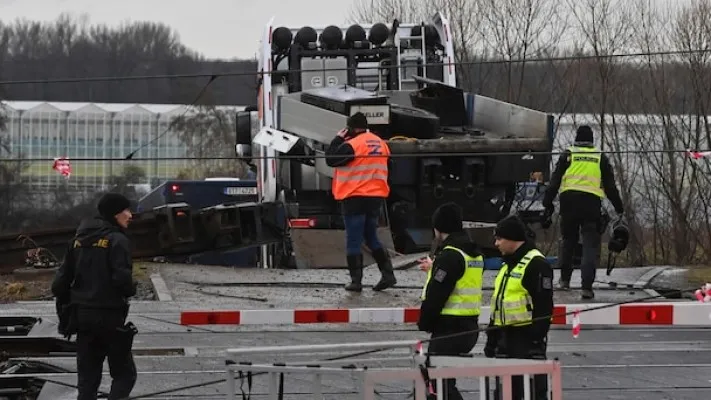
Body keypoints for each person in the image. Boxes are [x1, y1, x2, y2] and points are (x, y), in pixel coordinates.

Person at [51, 192, 138, 400]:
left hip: (82, 319)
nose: (130, 215)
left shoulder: (77, 241)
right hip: (110, 318)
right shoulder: (117, 240)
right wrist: (132, 288)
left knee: (88, 380)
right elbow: (122, 282)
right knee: (125, 374)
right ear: (115, 214)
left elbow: (58, 285)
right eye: (126, 210)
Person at [542, 125, 624, 299]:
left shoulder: (568, 154)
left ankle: (564, 281)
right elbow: (610, 187)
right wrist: (619, 207)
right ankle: (586, 287)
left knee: (568, 242)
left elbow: (554, 182)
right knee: (590, 246)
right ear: (592, 140)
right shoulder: (599, 157)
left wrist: (547, 203)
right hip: (591, 204)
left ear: (576, 139)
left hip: (568, 203)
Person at [417, 202, 484, 400]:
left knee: (438, 384)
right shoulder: (472, 253)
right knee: (439, 382)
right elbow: (459, 278)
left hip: (449, 329)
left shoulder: (450, 256)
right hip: (469, 327)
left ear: (438, 228)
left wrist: (425, 322)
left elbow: (437, 294)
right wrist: (435, 267)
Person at [484, 215, 554, 400]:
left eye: (499, 238)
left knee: (529, 393)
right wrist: (492, 339)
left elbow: (544, 307)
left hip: (525, 340)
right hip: (505, 338)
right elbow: (499, 304)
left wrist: (535, 342)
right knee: (505, 392)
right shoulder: (508, 264)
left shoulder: (536, 264)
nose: (496, 243)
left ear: (513, 239)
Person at [326, 111, 396, 292]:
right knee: (371, 236)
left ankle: (356, 281)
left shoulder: (352, 145)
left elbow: (331, 159)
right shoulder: (381, 144)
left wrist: (337, 139)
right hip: (376, 198)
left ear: (350, 128)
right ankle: (388, 274)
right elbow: (390, 167)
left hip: (355, 197)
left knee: (354, 239)